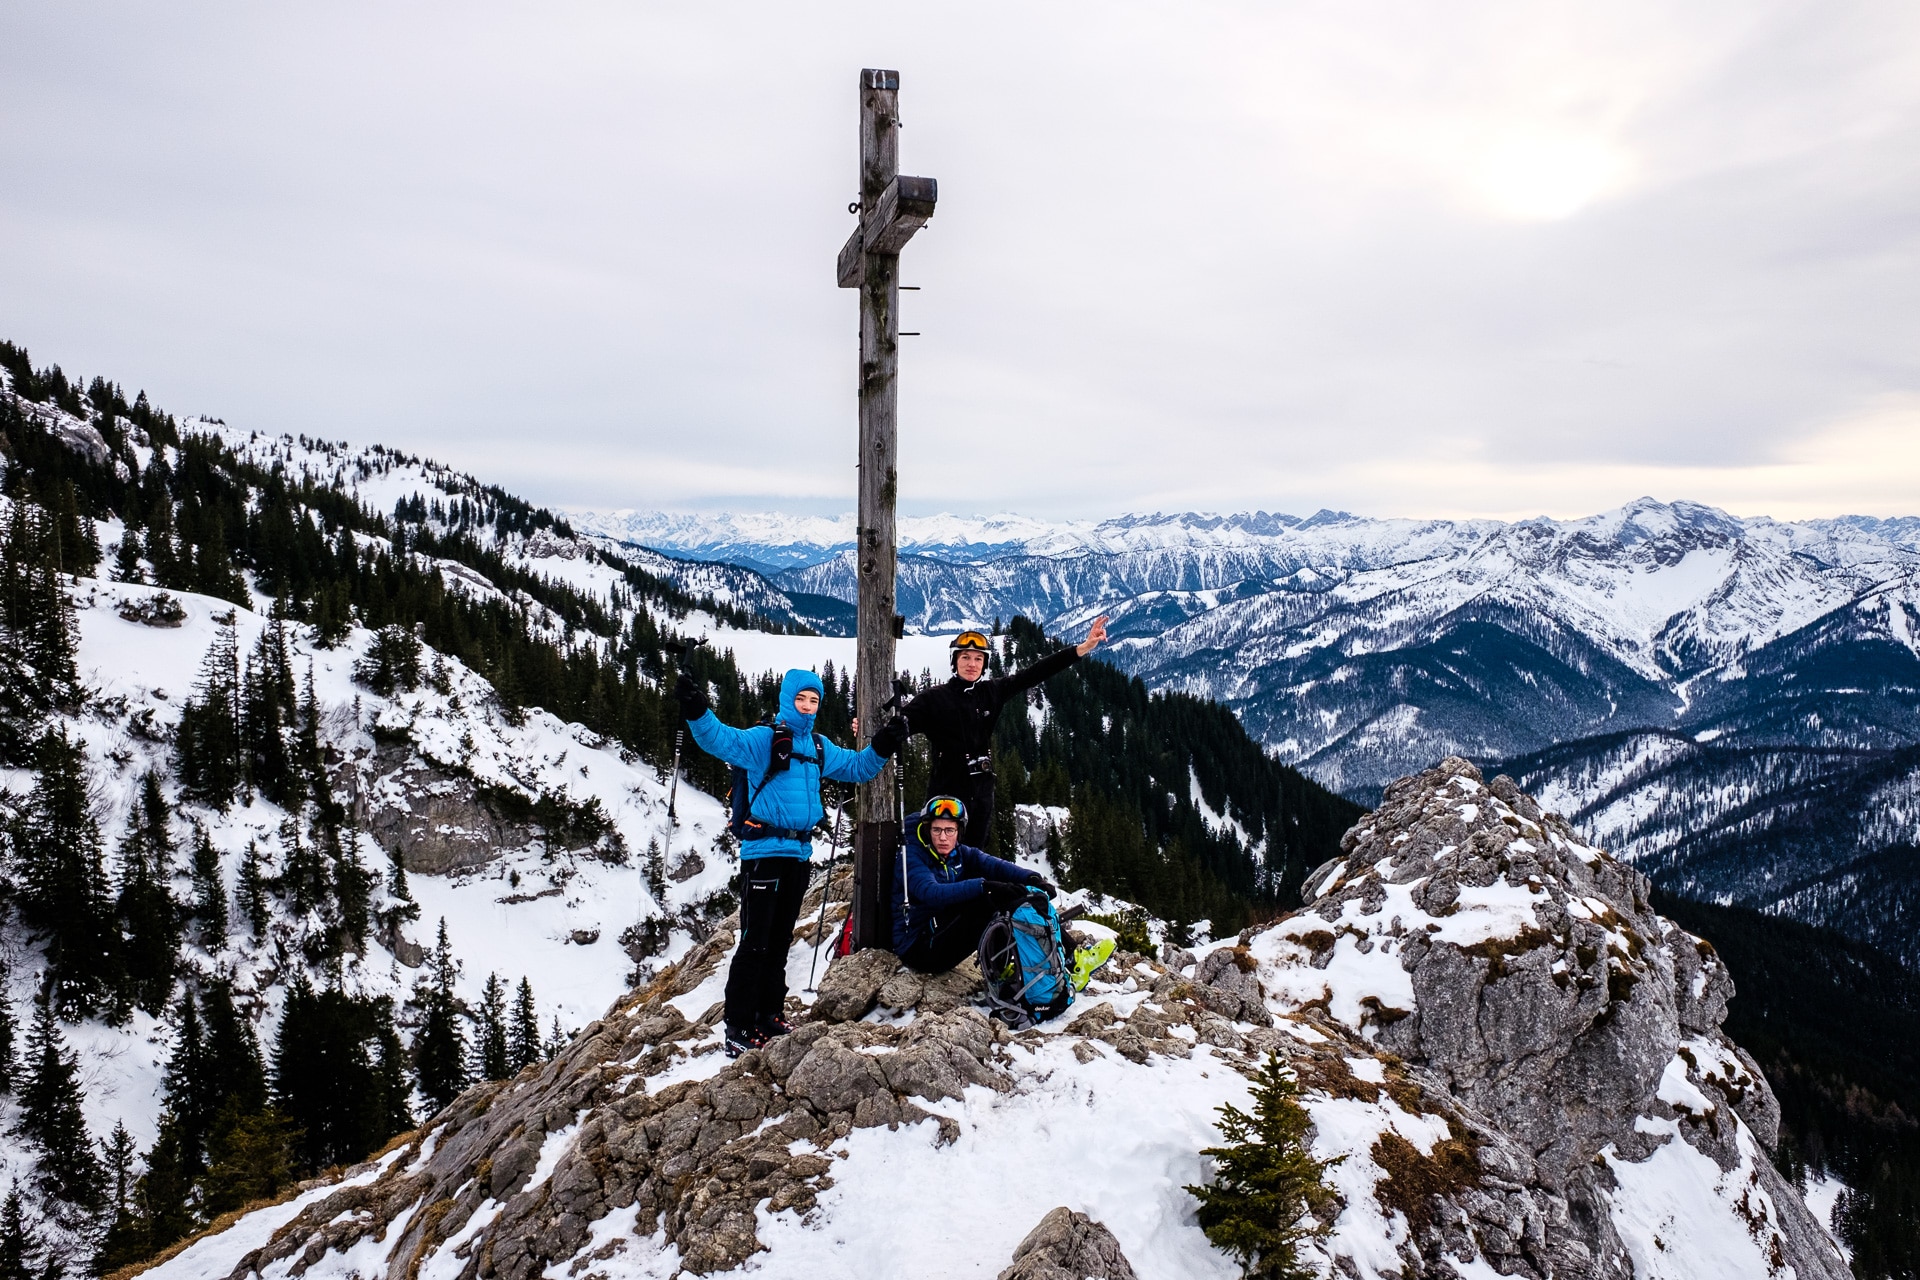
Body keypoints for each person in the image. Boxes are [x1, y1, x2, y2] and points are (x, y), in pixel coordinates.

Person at [676, 666, 908, 1057]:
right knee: (754, 941)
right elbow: (718, 739)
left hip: (798, 855)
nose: (807, 706)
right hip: (763, 855)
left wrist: (883, 743)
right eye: (801, 698)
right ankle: (739, 1025)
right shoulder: (763, 740)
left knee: (780, 939)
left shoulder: (818, 747)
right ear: (787, 699)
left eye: (814, 700)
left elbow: (857, 767)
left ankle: (769, 1014)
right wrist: (696, 706)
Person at [894, 617, 1108, 849]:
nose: (972, 664)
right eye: (965, 657)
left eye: (978, 659)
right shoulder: (934, 699)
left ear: (984, 664)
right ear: (954, 662)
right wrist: (866, 727)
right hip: (947, 793)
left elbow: (1034, 673)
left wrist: (1082, 649)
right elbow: (901, 723)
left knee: (975, 856)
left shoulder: (990, 692)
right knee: (942, 854)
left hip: (982, 792)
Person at [892, 795, 1055, 974]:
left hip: (939, 928)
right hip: (918, 949)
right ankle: (1001, 969)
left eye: (949, 830)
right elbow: (931, 892)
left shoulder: (958, 852)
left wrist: (1032, 878)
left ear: (959, 832)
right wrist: (985, 886)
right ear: (927, 830)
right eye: (936, 830)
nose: (943, 837)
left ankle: (1054, 958)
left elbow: (993, 865)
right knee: (989, 903)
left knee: (1007, 898)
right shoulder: (910, 856)